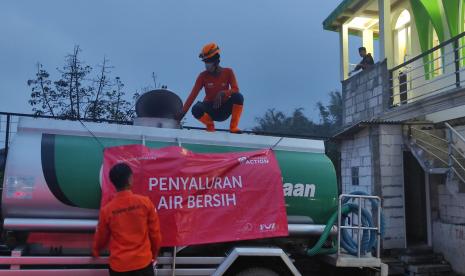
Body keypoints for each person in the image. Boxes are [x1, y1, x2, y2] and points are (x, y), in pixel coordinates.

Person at [93, 163, 162, 276]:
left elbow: (101, 236)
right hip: (143, 263)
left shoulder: (107, 210)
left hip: (119, 266)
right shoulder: (145, 203)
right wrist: (154, 254)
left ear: (114, 183)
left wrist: (96, 250)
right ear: (130, 179)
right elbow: (155, 234)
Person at [177, 42, 244, 133]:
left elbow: (236, 89)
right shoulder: (202, 76)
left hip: (224, 109)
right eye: (205, 62)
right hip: (210, 110)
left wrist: (223, 93)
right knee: (196, 109)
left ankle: (233, 127)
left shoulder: (228, 72)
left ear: (216, 61)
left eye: (208, 62)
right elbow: (192, 96)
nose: (206, 65)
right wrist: (181, 115)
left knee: (238, 97)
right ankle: (210, 126)